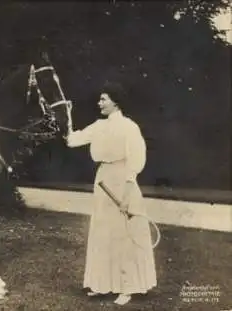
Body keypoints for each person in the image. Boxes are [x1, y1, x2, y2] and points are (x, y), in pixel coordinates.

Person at [64, 82, 157, 305]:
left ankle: (128, 287)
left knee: (124, 234)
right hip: (103, 179)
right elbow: (71, 140)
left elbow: (135, 161)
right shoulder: (98, 126)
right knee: (102, 231)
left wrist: (126, 196)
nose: (99, 103)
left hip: (123, 180)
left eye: (103, 99)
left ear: (115, 101)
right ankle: (102, 284)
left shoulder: (129, 127)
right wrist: (67, 114)